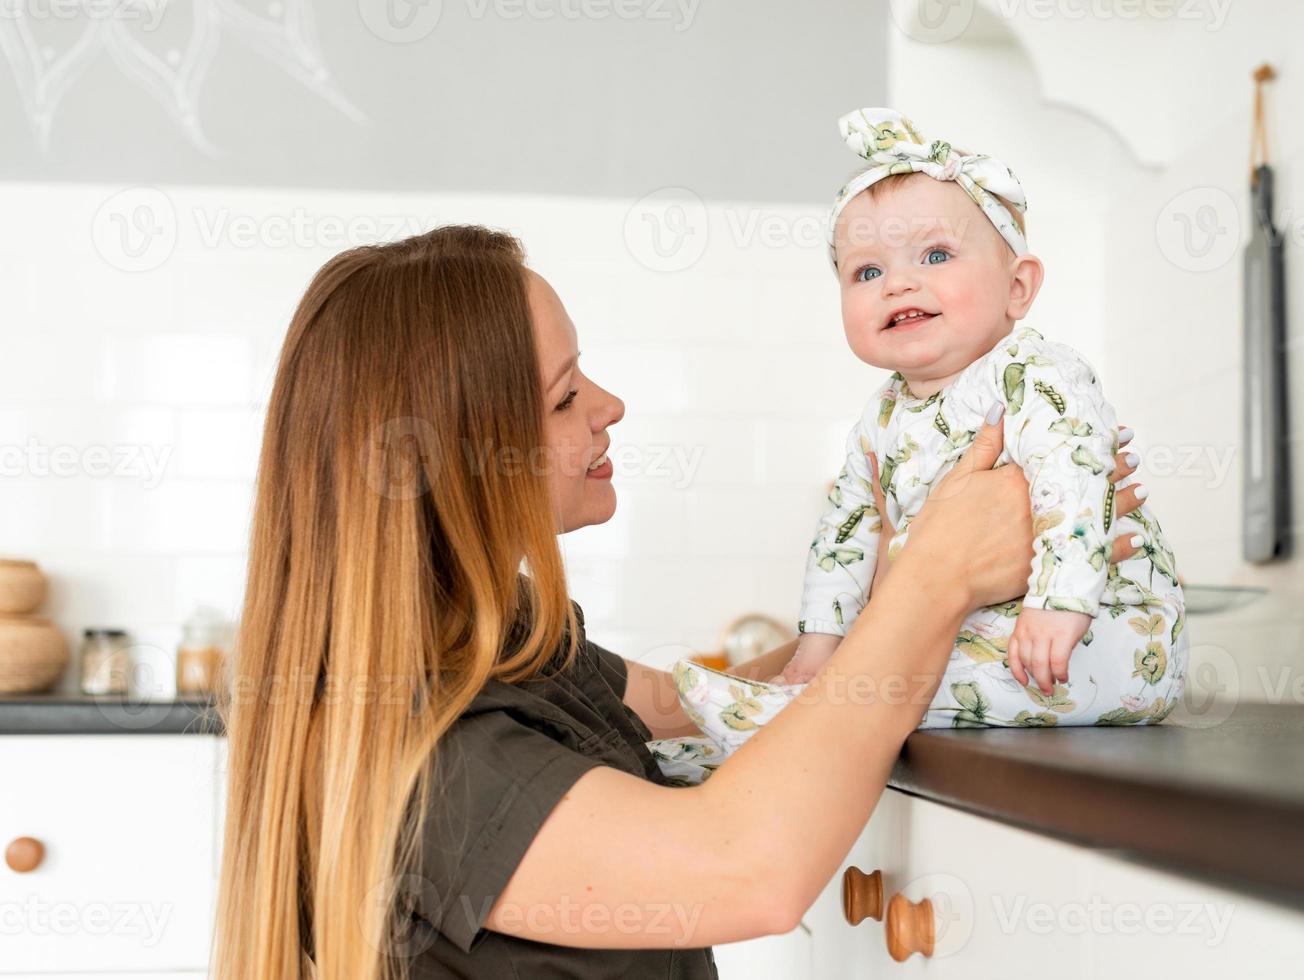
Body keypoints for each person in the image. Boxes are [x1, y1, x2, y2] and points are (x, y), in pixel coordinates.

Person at [210, 224, 1151, 979]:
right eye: (563, 394)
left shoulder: (493, 640)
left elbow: (692, 705)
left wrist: (908, 596)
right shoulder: (424, 747)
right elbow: (749, 867)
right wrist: (934, 579)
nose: (608, 405)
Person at [754, 108, 1187, 731]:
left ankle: (801, 715)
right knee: (878, 672)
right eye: (867, 271)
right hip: (988, 632)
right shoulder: (880, 417)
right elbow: (843, 537)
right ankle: (804, 704)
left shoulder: (1034, 372)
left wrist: (1059, 602)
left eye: (935, 255)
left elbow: (1075, 480)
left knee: (885, 688)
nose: (898, 284)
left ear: (1017, 288)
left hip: (1099, 632)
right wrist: (815, 651)